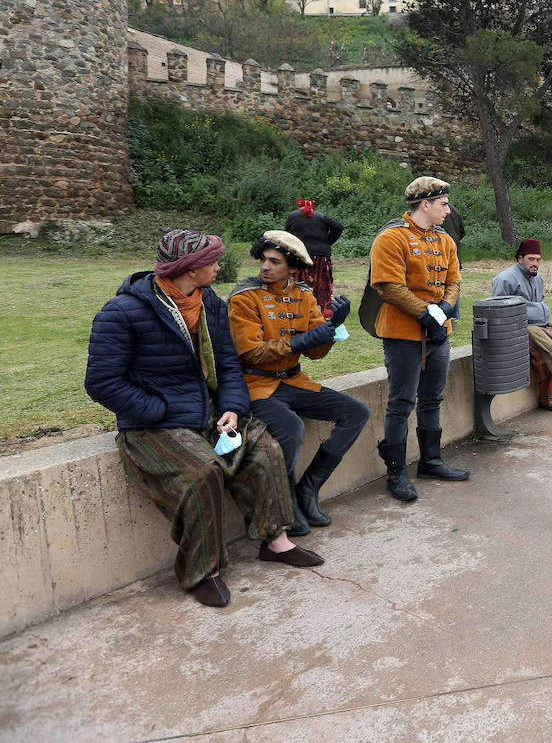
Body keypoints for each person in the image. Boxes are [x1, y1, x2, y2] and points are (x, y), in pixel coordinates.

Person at [85, 230, 323, 609]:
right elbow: (102, 383)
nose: (218, 266)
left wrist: (231, 406)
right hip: (153, 424)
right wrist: (158, 411)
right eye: (212, 262)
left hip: (209, 414)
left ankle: (276, 542)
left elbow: (229, 363)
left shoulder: (209, 303)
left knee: (264, 448)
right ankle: (202, 571)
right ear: (190, 268)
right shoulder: (122, 313)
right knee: (202, 471)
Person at [228, 230, 370, 537]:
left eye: (274, 262)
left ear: (293, 268)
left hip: (294, 381)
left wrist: (333, 326)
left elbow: (317, 353)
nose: (265, 267)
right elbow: (251, 353)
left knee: (356, 413)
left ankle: (309, 488)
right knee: (291, 429)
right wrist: (300, 341)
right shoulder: (244, 297)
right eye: (263, 259)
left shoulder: (303, 295)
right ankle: (287, 500)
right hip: (256, 385)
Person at [365, 176, 468, 503]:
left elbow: (454, 279)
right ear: (425, 204)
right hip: (403, 333)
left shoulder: (445, 240)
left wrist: (447, 308)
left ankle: (431, 461)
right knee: (401, 402)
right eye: (443, 204)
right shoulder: (391, 238)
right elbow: (389, 286)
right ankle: (396, 472)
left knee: (433, 398)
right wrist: (426, 313)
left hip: (439, 332)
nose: (447, 210)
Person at [492, 239, 552, 412]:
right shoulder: (504, 279)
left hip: (541, 323)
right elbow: (498, 309)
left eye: (538, 259)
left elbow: (540, 301)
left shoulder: (538, 278)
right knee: (548, 348)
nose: (535, 263)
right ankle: (548, 398)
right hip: (519, 326)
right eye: (531, 259)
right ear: (520, 259)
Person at [285, 199, 344, 317]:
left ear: (299, 207)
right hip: (322, 257)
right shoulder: (321, 217)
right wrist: (327, 242)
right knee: (322, 285)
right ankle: (324, 312)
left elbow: (287, 235)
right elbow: (338, 227)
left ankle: (299, 311)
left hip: (301, 257)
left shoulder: (292, 216)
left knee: (300, 284)